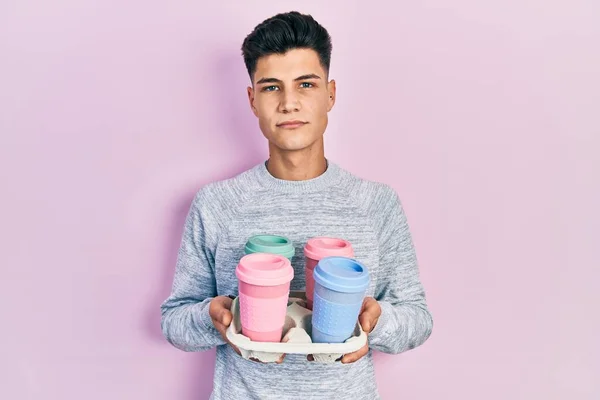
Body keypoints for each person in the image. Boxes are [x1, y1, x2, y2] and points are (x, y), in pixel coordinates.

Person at [161, 11, 433, 400]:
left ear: (331, 94)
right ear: (252, 100)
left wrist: (377, 323)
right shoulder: (217, 204)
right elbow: (174, 321)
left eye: (306, 84)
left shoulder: (375, 204)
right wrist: (212, 318)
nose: (289, 103)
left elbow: (418, 319)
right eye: (272, 88)